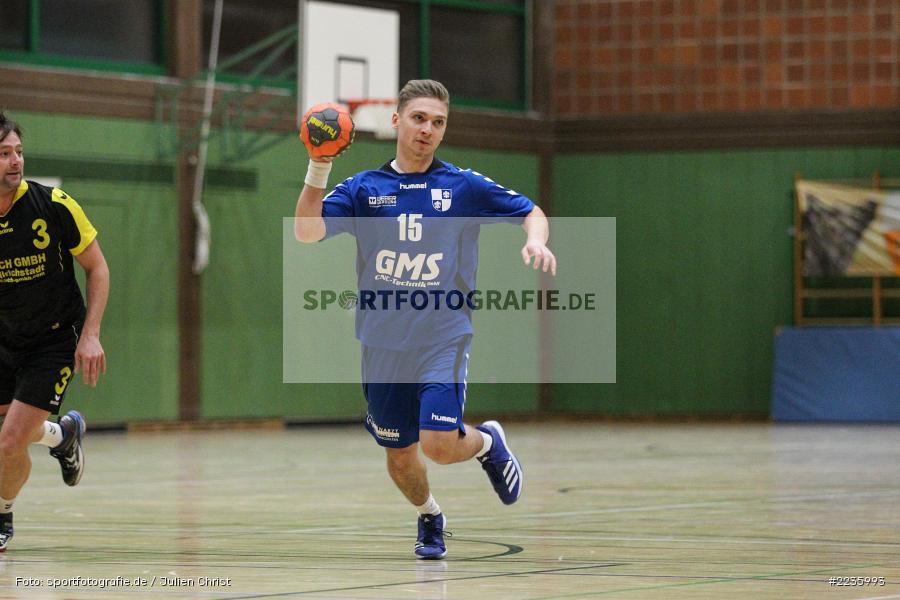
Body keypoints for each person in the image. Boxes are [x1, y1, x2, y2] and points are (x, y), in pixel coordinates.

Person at [295, 80, 556, 559]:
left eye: (438, 122)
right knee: (399, 456)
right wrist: (319, 164)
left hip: (443, 334)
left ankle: (484, 443)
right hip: (382, 344)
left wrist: (535, 239)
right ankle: (431, 516)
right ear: (396, 121)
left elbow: (532, 211)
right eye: (419, 118)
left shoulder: (463, 185)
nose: (428, 130)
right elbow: (307, 233)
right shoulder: (363, 190)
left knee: (437, 442)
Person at [0, 112, 109, 552]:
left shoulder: (54, 205)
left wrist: (91, 335)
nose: (15, 161)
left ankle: (2, 516)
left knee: (10, 440)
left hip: (53, 338)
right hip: (4, 339)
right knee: (7, 436)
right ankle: (63, 436)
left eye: (18, 152)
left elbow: (97, 268)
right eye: (4, 154)